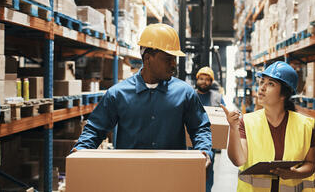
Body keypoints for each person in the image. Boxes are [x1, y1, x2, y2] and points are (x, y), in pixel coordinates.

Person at [73, 23, 212, 171]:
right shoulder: (118, 94)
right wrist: (81, 150)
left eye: (175, 59)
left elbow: (199, 128)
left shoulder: (185, 93)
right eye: (168, 58)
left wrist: (204, 151)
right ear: (147, 58)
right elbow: (95, 129)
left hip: (171, 175)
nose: (174, 64)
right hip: (131, 175)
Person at [221, 61, 315, 192]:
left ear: (284, 94)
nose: (262, 88)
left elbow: (310, 164)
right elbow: (238, 160)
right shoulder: (247, 122)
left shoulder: (305, 125)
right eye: (262, 82)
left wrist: (295, 174)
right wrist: (233, 128)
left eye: (270, 84)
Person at [195, 66, 225, 192]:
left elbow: (223, 117)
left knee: (207, 170)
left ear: (211, 82)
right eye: (201, 79)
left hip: (210, 141)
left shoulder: (217, 97)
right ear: (197, 80)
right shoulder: (190, 95)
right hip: (190, 141)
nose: (204, 82)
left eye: (207, 79)